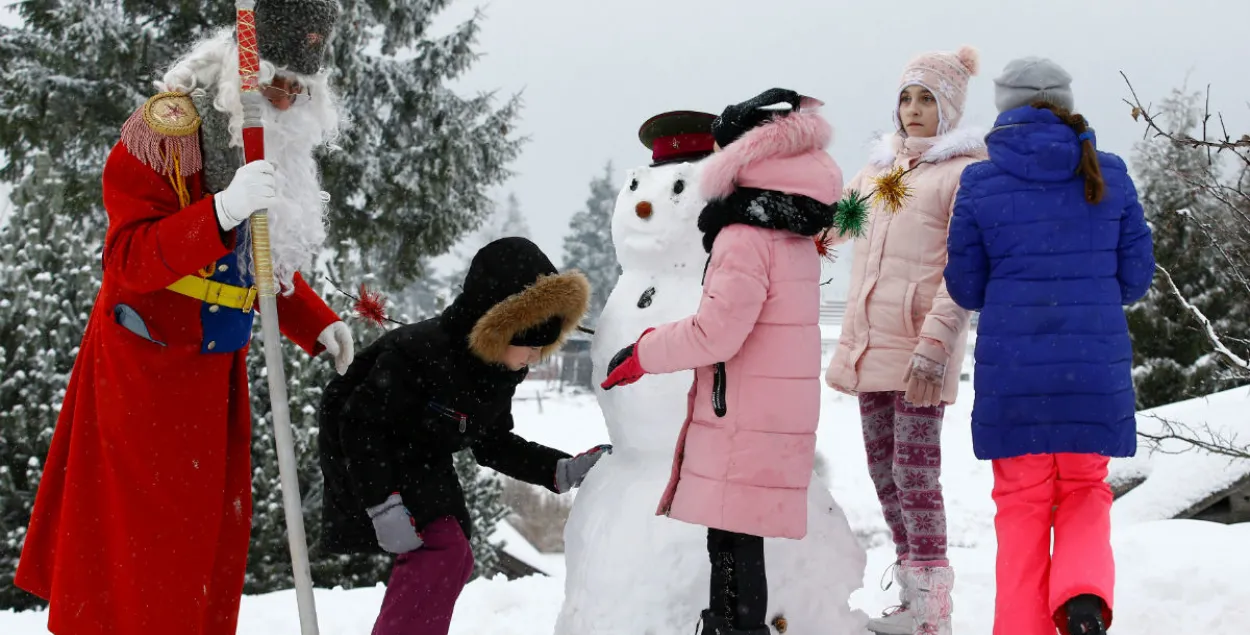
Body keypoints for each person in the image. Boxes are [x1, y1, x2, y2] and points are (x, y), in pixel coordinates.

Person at [13, 3, 353, 635]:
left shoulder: (272, 141)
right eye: (277, 82)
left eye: (299, 90)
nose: (286, 100)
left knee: (205, 541)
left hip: (215, 373)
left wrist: (316, 322)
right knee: (145, 546)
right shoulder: (166, 130)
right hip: (145, 371)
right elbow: (126, 258)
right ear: (246, 73)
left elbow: (258, 260)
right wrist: (220, 210)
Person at [601, 88, 841, 635]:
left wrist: (642, 351)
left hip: (741, 412)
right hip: (772, 408)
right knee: (738, 540)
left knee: (731, 544)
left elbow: (715, 334)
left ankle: (731, 628)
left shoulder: (743, 234)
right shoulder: (792, 228)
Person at [943, 57, 1155, 635]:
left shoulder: (980, 182)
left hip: (1015, 378)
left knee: (1021, 507)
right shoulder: (1108, 172)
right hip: (1093, 373)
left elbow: (965, 286)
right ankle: (1083, 596)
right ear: (1065, 103)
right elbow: (1136, 279)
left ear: (1005, 106)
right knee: (1086, 488)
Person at [318, 236, 611, 635]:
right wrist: (382, 503)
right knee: (441, 549)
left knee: (455, 556)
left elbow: (492, 442)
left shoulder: (498, 370)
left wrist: (558, 469)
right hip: (366, 453)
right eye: (529, 345)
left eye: (544, 347)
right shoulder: (419, 354)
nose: (535, 357)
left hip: (423, 453)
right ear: (499, 328)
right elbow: (357, 424)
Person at [823, 46, 985, 635]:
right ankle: (911, 595)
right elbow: (835, 227)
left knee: (916, 475)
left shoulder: (961, 175)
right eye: (906, 98)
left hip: (920, 349)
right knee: (884, 474)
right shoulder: (882, 173)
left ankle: (932, 610)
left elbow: (961, 270)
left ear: (950, 109)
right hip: (871, 346)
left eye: (927, 99)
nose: (913, 109)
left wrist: (935, 346)